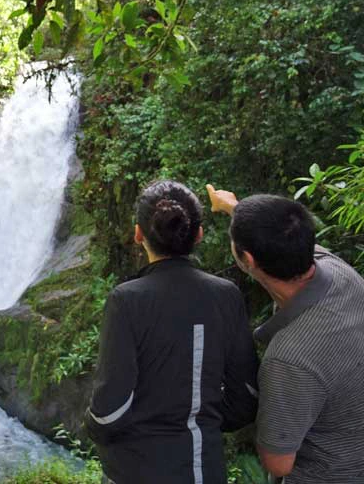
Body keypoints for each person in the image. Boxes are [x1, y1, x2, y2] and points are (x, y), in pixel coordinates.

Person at [85, 180, 259, 484]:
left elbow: (109, 412)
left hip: (135, 471)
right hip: (204, 469)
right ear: (199, 235)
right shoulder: (226, 296)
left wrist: (96, 428)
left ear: (138, 234)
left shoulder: (126, 301)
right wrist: (202, 422)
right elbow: (246, 398)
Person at [207, 185, 364, 483]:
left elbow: (278, 463)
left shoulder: (290, 360)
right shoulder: (340, 272)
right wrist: (232, 207)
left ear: (248, 261)